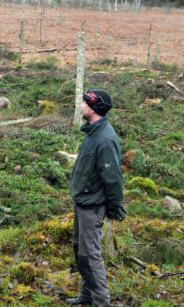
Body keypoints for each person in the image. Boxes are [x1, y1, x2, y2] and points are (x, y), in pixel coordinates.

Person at [66, 89, 127, 307]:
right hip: (83, 201)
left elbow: (112, 177)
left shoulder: (105, 138)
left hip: (93, 205)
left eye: (84, 103)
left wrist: (115, 205)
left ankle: (101, 302)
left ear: (93, 109)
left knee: (90, 255)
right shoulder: (93, 133)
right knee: (80, 251)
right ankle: (87, 296)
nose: (81, 106)